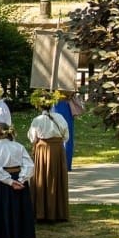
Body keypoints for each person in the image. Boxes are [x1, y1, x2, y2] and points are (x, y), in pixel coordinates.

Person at [0, 123, 36, 238]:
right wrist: (21, 179)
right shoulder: (18, 147)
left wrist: (9, 181)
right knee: (18, 210)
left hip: (2, 182)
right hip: (18, 179)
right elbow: (29, 165)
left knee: (1, 210)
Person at [27, 92, 70, 222]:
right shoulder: (60, 117)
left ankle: (41, 212)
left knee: (42, 178)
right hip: (57, 151)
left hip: (42, 151)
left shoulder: (37, 120)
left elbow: (33, 138)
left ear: (39, 106)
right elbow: (66, 136)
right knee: (56, 178)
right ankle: (58, 212)